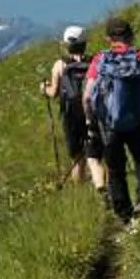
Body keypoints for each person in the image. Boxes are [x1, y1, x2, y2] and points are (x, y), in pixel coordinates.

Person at [84, 16, 140, 225]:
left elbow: (87, 96)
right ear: (131, 35)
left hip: (109, 124)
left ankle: (124, 215)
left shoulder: (99, 60)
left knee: (115, 169)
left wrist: (91, 124)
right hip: (138, 120)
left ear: (108, 38)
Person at [41, 25, 100, 189]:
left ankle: (80, 190)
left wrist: (43, 88)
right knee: (98, 154)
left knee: (77, 157)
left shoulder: (60, 65)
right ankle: (104, 187)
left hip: (71, 114)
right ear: (85, 43)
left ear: (66, 45)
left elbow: (53, 93)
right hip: (94, 112)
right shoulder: (94, 62)